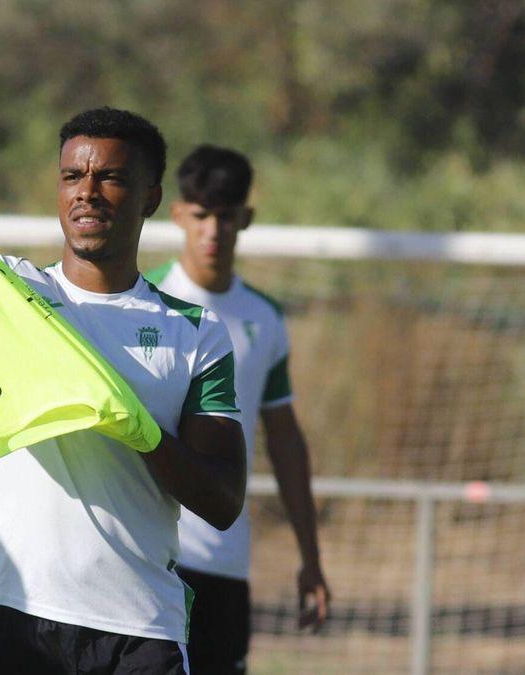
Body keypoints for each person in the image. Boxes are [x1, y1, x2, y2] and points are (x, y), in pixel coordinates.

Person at [0, 2, 246, 672]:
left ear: (149, 197)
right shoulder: (13, 293)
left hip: (142, 626)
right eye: (73, 176)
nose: (89, 192)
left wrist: (141, 432)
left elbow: (223, 501)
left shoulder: (195, 332)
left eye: (110, 176)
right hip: (18, 611)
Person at [147, 144, 331, 674]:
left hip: (226, 564)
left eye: (226, 216)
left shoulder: (264, 319)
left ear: (245, 219)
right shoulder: (145, 300)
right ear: (179, 213)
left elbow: (285, 439)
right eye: (201, 215)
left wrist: (311, 558)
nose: (212, 230)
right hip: (151, 556)